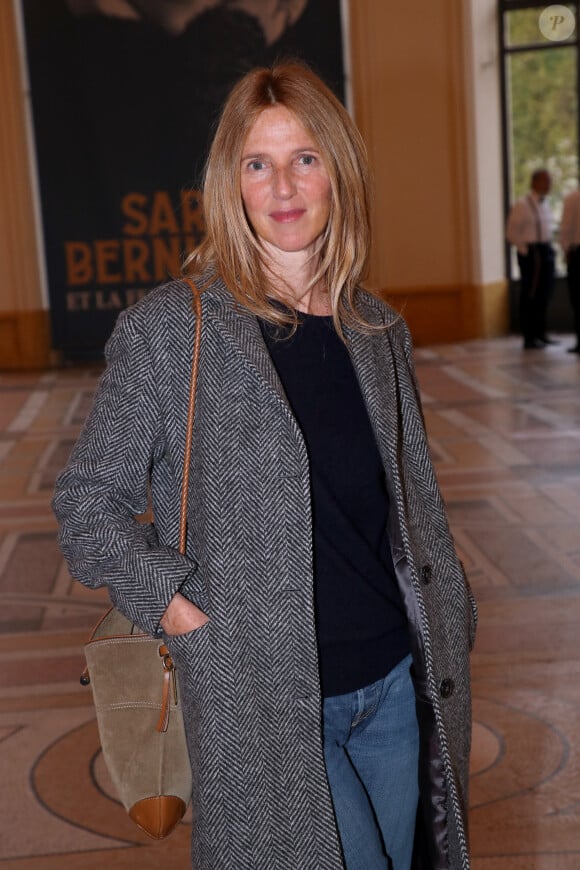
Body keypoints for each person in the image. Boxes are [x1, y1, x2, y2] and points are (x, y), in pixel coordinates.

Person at [53, 62, 477, 870]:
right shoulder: (172, 331)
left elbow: (409, 508)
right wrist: (182, 612)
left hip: (395, 682)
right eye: (258, 163)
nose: (283, 185)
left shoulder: (378, 329)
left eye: (305, 158)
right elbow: (87, 505)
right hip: (265, 694)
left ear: (337, 173)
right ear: (231, 183)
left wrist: (452, 610)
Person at [506, 168, 558, 349]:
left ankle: (540, 333)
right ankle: (529, 336)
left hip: (545, 250)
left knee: (544, 293)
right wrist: (526, 251)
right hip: (532, 252)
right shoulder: (522, 204)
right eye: (546, 181)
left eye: (550, 181)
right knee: (531, 294)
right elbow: (511, 233)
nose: (549, 185)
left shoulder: (545, 204)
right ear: (535, 182)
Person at [557, 187, 580, 353]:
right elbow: (565, 229)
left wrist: (566, 251)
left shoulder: (572, 198)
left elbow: (565, 228)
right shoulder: (572, 197)